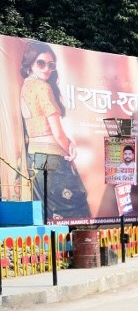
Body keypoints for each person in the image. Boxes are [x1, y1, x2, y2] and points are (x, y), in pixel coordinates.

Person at [19, 41, 88, 220]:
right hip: (53, 159)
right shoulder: (42, 87)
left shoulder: (25, 87)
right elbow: (57, 132)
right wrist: (69, 150)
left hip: (34, 158)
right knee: (72, 210)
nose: (46, 69)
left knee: (45, 210)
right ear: (30, 65)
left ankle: (50, 246)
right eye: (40, 63)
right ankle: (70, 247)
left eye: (51, 65)